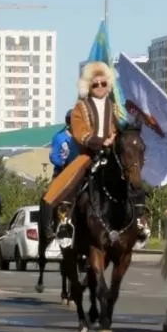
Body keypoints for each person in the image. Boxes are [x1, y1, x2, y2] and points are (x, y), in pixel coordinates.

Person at [41, 61, 124, 229]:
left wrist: (116, 136)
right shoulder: (80, 107)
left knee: (133, 179)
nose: (100, 87)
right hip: (88, 155)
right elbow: (80, 133)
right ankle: (63, 223)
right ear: (88, 86)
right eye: (95, 84)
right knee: (67, 186)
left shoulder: (115, 108)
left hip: (111, 154)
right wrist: (101, 142)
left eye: (103, 83)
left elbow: (121, 127)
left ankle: (138, 221)